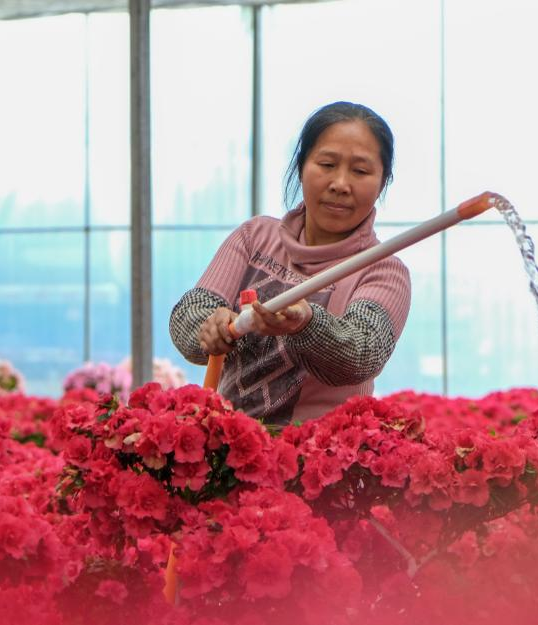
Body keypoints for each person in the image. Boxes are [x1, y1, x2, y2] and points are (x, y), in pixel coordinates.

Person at [169, 101, 411, 425]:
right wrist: (210, 327)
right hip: (230, 445)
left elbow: (361, 354)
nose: (340, 184)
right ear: (301, 167)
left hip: (322, 453)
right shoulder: (254, 237)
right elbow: (190, 312)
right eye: (327, 164)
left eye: (360, 171)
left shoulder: (384, 271)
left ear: (382, 182)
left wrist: (306, 323)